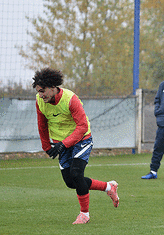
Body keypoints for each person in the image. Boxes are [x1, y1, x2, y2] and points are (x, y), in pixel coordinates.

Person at [33, 68, 119, 224]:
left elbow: (82, 126)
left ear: (53, 87)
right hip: (62, 143)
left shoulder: (70, 99)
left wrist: (64, 144)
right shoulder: (40, 101)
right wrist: (47, 146)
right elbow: (42, 125)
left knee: (76, 173)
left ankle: (84, 215)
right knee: (71, 182)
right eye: (38, 91)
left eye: (42, 91)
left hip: (82, 140)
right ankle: (108, 187)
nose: (40, 95)